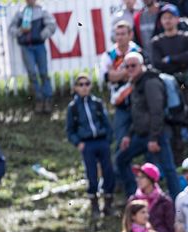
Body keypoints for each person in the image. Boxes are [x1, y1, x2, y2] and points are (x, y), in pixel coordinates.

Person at [115, 51, 179, 198]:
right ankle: (135, 198)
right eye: (127, 66)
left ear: (142, 65)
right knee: (121, 159)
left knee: (168, 169)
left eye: (133, 65)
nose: (130, 69)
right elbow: (137, 114)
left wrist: (154, 138)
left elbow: (157, 112)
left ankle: (177, 203)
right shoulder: (136, 83)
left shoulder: (150, 82)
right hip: (140, 135)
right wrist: (129, 135)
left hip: (156, 135)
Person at [151, 4, 188, 159]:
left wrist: (170, 59)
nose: (167, 21)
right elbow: (157, 63)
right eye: (164, 18)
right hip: (167, 83)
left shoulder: (186, 37)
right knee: (173, 112)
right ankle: (177, 149)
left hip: (183, 81)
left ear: (177, 19)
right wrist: (178, 60)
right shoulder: (157, 41)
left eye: (170, 17)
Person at [66, 74, 114, 219]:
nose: (84, 87)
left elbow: (106, 123)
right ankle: (94, 206)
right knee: (91, 175)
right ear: (75, 88)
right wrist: (78, 143)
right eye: (80, 84)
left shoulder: (97, 103)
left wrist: (108, 140)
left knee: (108, 172)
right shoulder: (73, 107)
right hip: (87, 143)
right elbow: (70, 130)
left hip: (101, 141)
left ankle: (108, 205)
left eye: (87, 84)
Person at [100, 21, 143, 151]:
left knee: (144, 137)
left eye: (123, 34)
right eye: (117, 34)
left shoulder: (138, 50)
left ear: (130, 35)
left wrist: (117, 73)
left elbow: (141, 74)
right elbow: (107, 77)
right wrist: (129, 72)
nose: (120, 37)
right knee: (120, 138)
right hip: (121, 102)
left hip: (139, 100)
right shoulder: (109, 54)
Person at [8, 0, 57, 113]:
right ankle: (39, 100)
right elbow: (11, 29)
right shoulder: (20, 12)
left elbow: (52, 25)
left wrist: (41, 35)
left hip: (39, 45)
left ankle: (48, 99)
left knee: (43, 73)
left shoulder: (42, 11)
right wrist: (21, 31)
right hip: (26, 47)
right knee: (32, 74)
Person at [129, 163, 179, 232]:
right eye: (137, 177)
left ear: (151, 179)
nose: (138, 180)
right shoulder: (133, 201)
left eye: (142, 177)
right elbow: (128, 224)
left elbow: (171, 226)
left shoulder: (165, 201)